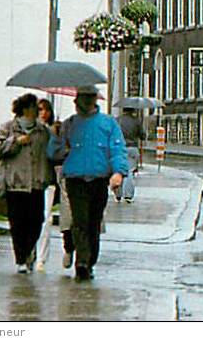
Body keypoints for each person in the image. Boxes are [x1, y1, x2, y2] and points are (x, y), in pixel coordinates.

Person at [47, 85, 128, 280]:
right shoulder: (69, 125)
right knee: (79, 220)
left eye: (86, 99)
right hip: (75, 179)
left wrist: (118, 172)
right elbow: (54, 153)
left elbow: (117, 149)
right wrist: (55, 136)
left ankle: (89, 261)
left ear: (93, 100)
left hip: (99, 180)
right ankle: (82, 262)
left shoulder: (108, 124)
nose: (80, 103)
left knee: (93, 222)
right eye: (80, 99)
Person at [0, 93, 55, 273]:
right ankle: (21, 258)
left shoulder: (42, 131)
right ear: (26, 109)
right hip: (15, 183)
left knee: (36, 221)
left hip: (36, 184)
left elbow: (52, 151)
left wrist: (57, 135)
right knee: (17, 223)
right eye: (36, 107)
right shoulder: (9, 128)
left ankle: (28, 250)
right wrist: (15, 142)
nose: (39, 111)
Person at [34, 98, 75, 272]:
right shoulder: (29, 131)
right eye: (39, 110)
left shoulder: (54, 131)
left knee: (46, 218)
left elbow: (57, 153)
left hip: (50, 179)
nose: (43, 113)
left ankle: (42, 258)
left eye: (46, 110)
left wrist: (55, 137)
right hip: (32, 180)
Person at [116, 107, 146, 203]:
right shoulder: (136, 121)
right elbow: (143, 135)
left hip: (119, 148)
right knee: (129, 171)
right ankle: (128, 195)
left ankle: (118, 194)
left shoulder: (117, 120)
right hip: (132, 148)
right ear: (133, 110)